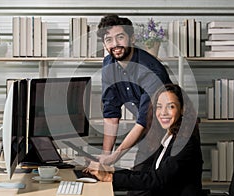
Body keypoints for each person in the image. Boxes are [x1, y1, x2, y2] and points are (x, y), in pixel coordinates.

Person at [87, 84, 203, 196]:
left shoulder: (185, 142)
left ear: (182, 109)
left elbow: (156, 180)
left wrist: (109, 178)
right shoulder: (167, 137)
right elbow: (146, 174)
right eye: (159, 106)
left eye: (171, 106)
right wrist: (109, 171)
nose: (163, 113)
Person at [97, 14, 172, 165]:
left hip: (174, 135)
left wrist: (114, 158)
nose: (115, 44)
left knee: (157, 184)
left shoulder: (151, 71)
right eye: (109, 40)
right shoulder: (109, 65)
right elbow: (111, 114)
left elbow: (144, 120)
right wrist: (105, 156)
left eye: (120, 37)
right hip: (148, 134)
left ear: (132, 39)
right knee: (139, 184)